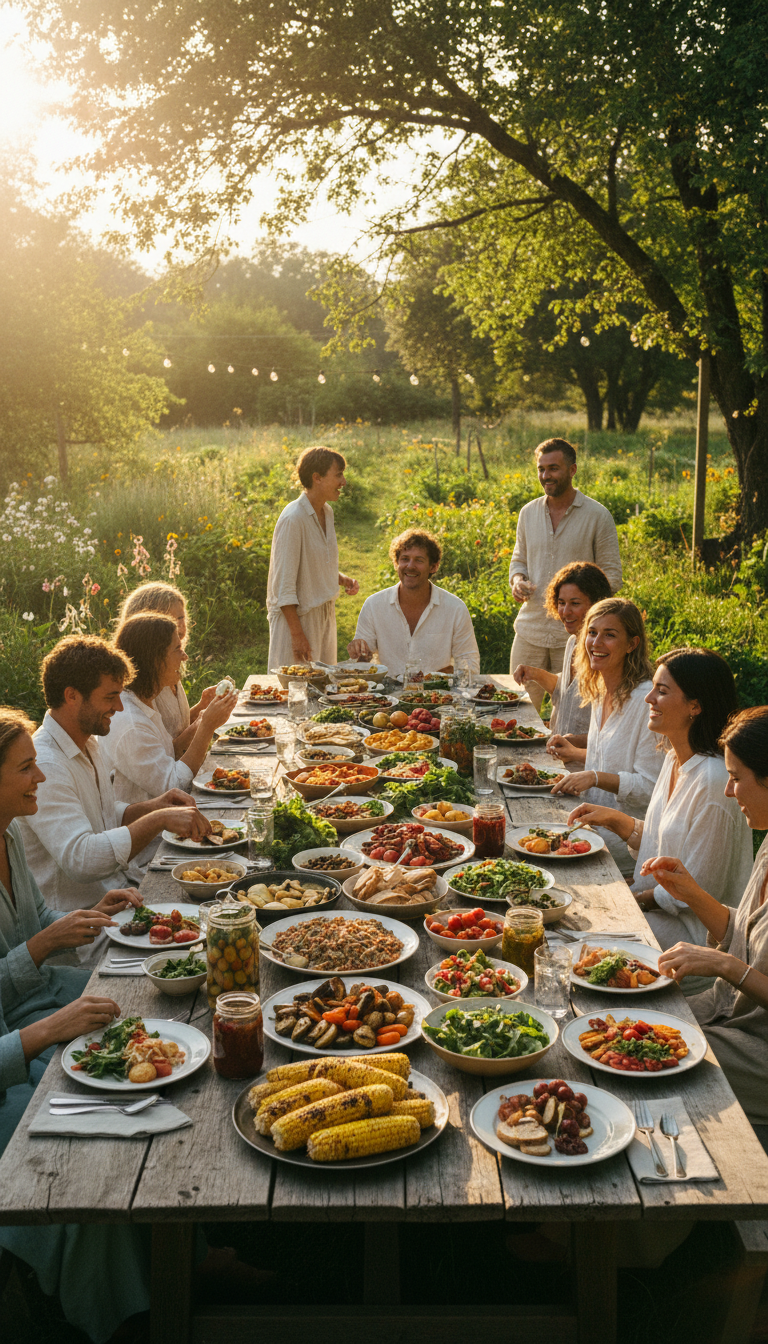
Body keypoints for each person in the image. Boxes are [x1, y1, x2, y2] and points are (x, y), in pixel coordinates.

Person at [567, 648, 753, 990]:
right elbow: (663, 846)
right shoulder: (674, 758)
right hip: (656, 912)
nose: (649, 698)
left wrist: (631, 900)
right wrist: (619, 822)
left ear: (695, 706)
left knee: (575, 943)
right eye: (653, 688)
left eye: (662, 691)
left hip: (693, 940)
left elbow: (696, 890)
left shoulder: (714, 781)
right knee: (568, 910)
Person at [19, 636, 212, 956]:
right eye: (111, 696)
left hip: (119, 902)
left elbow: (101, 812)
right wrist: (158, 820)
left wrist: (151, 807)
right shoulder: (45, 763)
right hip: (83, 938)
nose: (120, 706)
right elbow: (81, 858)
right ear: (72, 696)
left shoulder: (86, 741)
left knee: (218, 912)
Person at [643, 707, 768, 1147]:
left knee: (651, 1064)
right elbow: (747, 930)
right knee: (628, 1023)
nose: (730, 792)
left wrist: (724, 965)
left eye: (737, 777)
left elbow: (737, 960)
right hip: (726, 1012)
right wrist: (691, 892)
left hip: (758, 1048)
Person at [550, 598, 662, 876]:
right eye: (592, 632)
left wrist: (594, 776)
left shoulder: (646, 701)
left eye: (609, 635)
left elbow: (651, 786)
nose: (596, 642)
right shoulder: (601, 686)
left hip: (627, 846)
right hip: (588, 827)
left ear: (632, 644)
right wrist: (575, 744)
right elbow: (612, 753)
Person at [508, 438, 622, 710]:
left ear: (572, 470)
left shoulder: (598, 515)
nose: (546, 476)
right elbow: (518, 561)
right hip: (530, 630)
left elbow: (612, 577)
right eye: (541, 469)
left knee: (573, 714)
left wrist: (582, 608)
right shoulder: (528, 513)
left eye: (553, 468)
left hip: (576, 637)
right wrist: (517, 581)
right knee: (516, 712)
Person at [102, 613, 237, 810]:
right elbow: (174, 785)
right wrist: (206, 726)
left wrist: (202, 717)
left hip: (173, 817)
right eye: (177, 649)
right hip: (153, 836)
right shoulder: (130, 722)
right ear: (155, 660)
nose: (185, 656)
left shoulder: (147, 699)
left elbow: (166, 754)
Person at [266, 445, 359, 669]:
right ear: (317, 478)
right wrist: (297, 636)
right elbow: (284, 587)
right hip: (299, 620)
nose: (344, 482)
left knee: (324, 690)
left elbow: (311, 560)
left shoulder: (326, 511)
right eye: (338, 475)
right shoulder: (293, 518)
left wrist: (339, 577)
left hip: (324, 615)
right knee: (294, 693)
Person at [347, 528, 480, 679]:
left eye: (419, 560)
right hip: (387, 698)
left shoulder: (455, 608)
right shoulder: (374, 605)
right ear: (396, 563)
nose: (410, 566)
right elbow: (361, 662)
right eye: (405, 559)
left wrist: (438, 678)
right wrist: (360, 654)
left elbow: (470, 665)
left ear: (433, 567)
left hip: (437, 697)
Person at [512, 560, 612, 751]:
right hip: (558, 754)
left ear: (596, 604)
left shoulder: (603, 653)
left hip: (585, 764)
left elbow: (611, 731)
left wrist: (572, 744)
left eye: (575, 603)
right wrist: (535, 674)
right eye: (561, 603)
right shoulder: (572, 642)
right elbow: (567, 695)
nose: (566, 612)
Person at [117, 581, 219, 756]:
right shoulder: (144, 682)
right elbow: (164, 752)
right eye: (172, 619)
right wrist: (205, 722)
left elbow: (176, 727)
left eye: (181, 618)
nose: (179, 626)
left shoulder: (170, 666)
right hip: (170, 777)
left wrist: (202, 707)